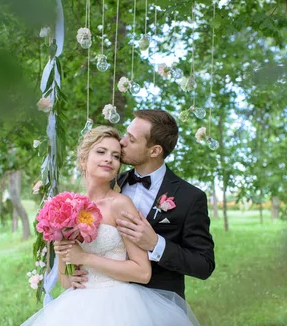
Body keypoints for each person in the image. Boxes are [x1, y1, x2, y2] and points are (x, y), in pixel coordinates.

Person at [0, 126, 236, 326]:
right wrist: (67, 271)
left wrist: (87, 257)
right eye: (101, 152)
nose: (110, 159)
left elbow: (142, 272)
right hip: (76, 309)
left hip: (121, 306)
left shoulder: (121, 205)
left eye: (116, 156)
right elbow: (64, 273)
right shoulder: (65, 206)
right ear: (84, 159)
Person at [67, 110, 215, 300]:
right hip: (101, 297)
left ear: (154, 151)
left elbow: (204, 265)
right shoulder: (109, 181)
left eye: (131, 139)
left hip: (159, 306)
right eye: (125, 134)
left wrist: (156, 244)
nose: (122, 142)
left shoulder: (190, 198)